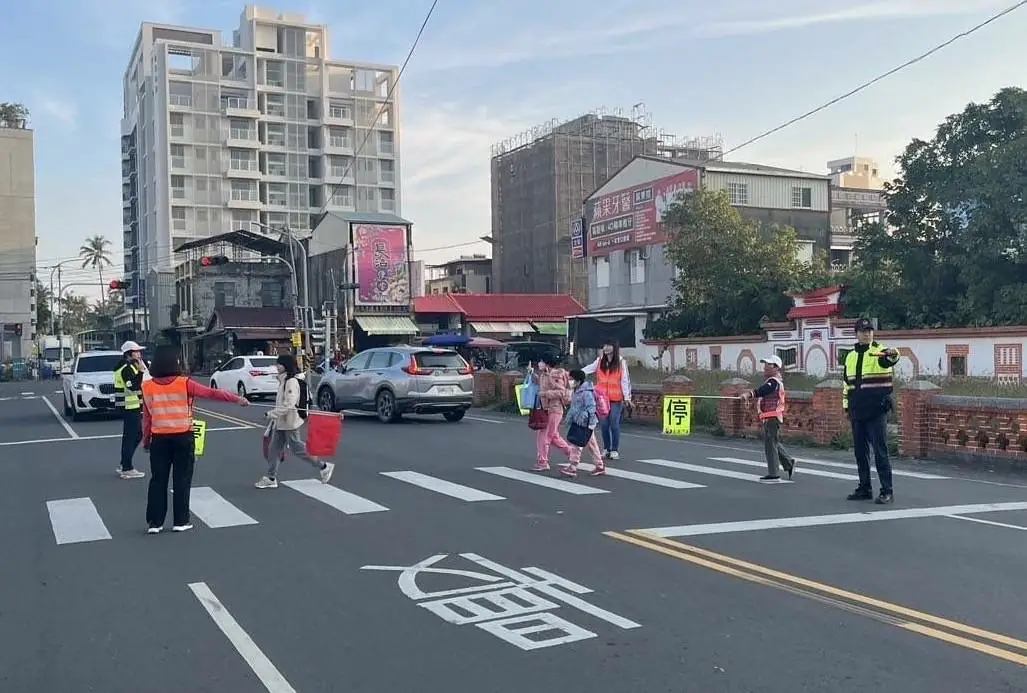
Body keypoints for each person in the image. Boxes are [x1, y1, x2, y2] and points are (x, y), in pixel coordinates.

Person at [142, 345, 249, 534]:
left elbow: (147, 417)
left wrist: (146, 441)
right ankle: (180, 521)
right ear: (175, 362)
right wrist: (236, 399)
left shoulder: (147, 386)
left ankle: (155, 523)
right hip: (183, 436)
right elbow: (211, 393)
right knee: (182, 479)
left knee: (158, 480)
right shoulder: (185, 383)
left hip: (159, 438)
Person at [255, 353, 335, 489]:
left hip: (289, 422)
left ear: (285, 366)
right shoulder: (283, 380)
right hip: (281, 422)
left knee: (298, 449)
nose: (277, 366)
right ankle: (270, 477)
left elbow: (289, 404)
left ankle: (324, 466)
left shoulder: (291, 381)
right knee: (273, 450)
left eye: (279, 363)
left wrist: (271, 414)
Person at [843, 317, 901, 505]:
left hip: (876, 410)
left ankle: (887, 490)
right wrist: (846, 406)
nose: (867, 334)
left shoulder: (879, 351)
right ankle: (864, 487)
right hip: (857, 409)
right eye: (863, 331)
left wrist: (893, 353)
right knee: (860, 452)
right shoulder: (850, 356)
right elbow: (846, 384)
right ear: (857, 333)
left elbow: (892, 357)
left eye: (869, 331)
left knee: (880, 451)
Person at [741, 355, 797, 481]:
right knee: (772, 442)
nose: (765, 367)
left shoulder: (773, 382)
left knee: (770, 444)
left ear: (776, 368)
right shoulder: (773, 381)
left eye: (768, 365)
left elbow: (762, 390)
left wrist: (749, 394)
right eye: (765, 364)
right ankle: (788, 463)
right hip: (769, 417)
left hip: (773, 417)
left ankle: (774, 473)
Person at [581, 341, 632, 460]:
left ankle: (614, 450)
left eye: (609, 345)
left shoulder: (620, 362)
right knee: (604, 424)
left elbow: (625, 380)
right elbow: (587, 369)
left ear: (614, 348)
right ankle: (606, 448)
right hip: (602, 398)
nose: (606, 348)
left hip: (615, 398)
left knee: (614, 422)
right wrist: (575, 374)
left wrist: (627, 397)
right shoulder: (599, 361)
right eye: (604, 346)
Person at [531, 352, 573, 472]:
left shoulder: (556, 375)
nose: (539, 363)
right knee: (552, 435)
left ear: (547, 363)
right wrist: (533, 375)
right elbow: (541, 384)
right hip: (546, 408)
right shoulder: (544, 375)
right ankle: (571, 452)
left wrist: (544, 394)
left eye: (541, 361)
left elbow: (561, 392)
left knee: (544, 435)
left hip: (555, 408)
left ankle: (543, 461)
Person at [559, 369, 604, 478]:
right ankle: (599, 465)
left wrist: (584, 417)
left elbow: (591, 408)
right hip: (582, 422)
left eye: (571, 379)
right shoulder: (577, 391)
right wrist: (568, 420)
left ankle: (573, 467)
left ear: (578, 381)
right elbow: (573, 407)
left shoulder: (586, 392)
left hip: (585, 422)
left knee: (577, 444)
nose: (569, 381)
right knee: (591, 444)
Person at [114, 341, 148, 480]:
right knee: (130, 437)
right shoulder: (125, 368)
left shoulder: (130, 366)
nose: (139, 353)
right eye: (136, 351)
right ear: (129, 354)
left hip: (133, 406)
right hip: (128, 407)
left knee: (137, 435)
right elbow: (133, 387)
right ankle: (127, 468)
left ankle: (125, 463)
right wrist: (140, 372)